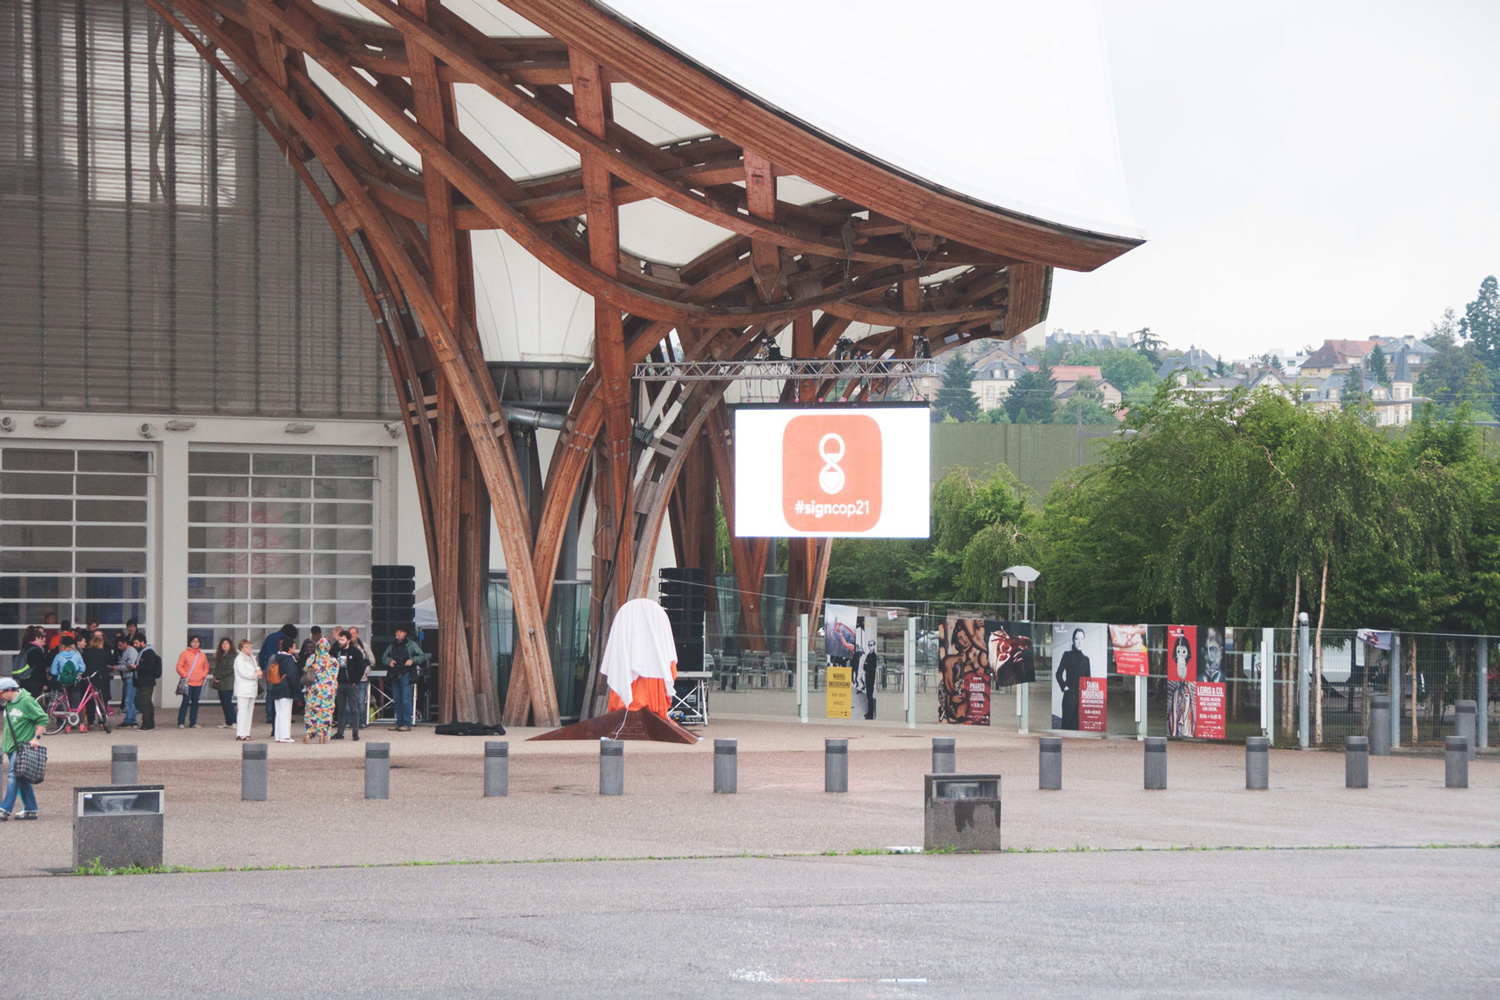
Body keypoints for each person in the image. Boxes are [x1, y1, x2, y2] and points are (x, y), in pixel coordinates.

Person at [0, 677, 46, 820]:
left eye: (1, 693)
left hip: (21, 746)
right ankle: (31, 809)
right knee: (22, 778)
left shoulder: (26, 701)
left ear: (9, 690)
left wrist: (36, 738)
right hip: (10, 746)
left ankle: (4, 809)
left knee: (12, 776)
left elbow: (42, 718)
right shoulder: (8, 703)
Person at [380, 626, 428, 732]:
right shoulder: (392, 644)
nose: (398, 634)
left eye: (401, 632)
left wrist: (412, 660)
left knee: (406, 699)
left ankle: (407, 723)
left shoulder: (411, 644)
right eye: (397, 632)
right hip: (394, 674)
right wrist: (389, 661)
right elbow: (384, 657)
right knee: (397, 699)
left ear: (405, 633)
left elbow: (422, 656)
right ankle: (399, 722)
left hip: (406, 673)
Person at [258, 623, 298, 726]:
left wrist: (263, 668)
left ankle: (270, 715)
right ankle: (283, 716)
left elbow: (262, 653)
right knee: (283, 692)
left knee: (270, 690)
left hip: (270, 666)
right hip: (282, 668)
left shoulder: (270, 637)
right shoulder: (286, 640)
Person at [332, 629, 368, 741]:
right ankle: (340, 732)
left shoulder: (355, 652)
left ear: (348, 640)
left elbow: (361, 667)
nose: (340, 641)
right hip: (340, 683)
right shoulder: (336, 651)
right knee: (341, 708)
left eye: (342, 640)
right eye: (339, 639)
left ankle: (355, 732)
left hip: (352, 684)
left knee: (354, 708)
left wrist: (355, 680)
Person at [302, 637, 338, 744]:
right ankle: (323, 735)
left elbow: (305, 670)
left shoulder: (312, 658)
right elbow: (335, 675)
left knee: (311, 712)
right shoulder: (333, 660)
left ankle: (308, 734)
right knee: (325, 713)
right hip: (328, 691)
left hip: (314, 690)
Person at [49, 634, 86, 732]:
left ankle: (67, 726)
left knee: (65, 705)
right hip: (75, 682)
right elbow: (82, 668)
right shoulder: (77, 655)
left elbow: (53, 671)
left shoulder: (59, 656)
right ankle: (81, 725)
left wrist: (60, 675)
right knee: (77, 705)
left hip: (63, 682)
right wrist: (78, 674)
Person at [1055, 627, 1090, 731]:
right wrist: (1064, 687)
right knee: (1067, 726)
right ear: (1073, 640)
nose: (1079, 642)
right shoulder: (1067, 655)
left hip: (1080, 698)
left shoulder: (1086, 660)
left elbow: (1088, 680)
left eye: (1081, 639)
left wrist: (1085, 695)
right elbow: (1058, 673)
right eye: (1077, 639)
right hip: (1069, 697)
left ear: (1084, 640)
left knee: (1078, 728)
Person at [174, 635, 211, 729]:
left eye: (197, 642)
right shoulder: (184, 654)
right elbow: (179, 666)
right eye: (193, 641)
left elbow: (206, 667)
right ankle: (181, 722)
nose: (195, 643)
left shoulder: (202, 655)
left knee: (195, 702)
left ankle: (193, 722)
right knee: (185, 702)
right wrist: (185, 675)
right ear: (190, 643)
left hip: (198, 682)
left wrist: (203, 675)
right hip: (188, 682)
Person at [231, 639, 261, 741]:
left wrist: (258, 672)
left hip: (252, 688)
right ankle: (240, 733)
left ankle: (247, 732)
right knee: (242, 711)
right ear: (241, 648)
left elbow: (256, 668)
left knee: (249, 711)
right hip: (243, 688)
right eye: (246, 647)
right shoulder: (239, 659)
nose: (249, 648)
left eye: (250, 646)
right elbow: (242, 672)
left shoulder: (252, 657)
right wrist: (254, 675)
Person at [269, 636, 297, 743]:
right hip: (286, 688)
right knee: (286, 712)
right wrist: (296, 688)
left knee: (279, 712)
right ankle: (285, 736)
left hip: (277, 686)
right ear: (289, 648)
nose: (294, 648)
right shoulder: (289, 659)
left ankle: (278, 735)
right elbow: (292, 675)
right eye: (293, 646)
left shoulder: (277, 658)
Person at [81, 631, 112, 729]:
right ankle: (103, 722)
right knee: (103, 700)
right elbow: (111, 661)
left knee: (90, 701)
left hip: (90, 678)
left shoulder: (86, 653)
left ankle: (91, 723)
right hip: (102, 678)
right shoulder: (105, 653)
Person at [132, 633, 161, 731]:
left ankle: (147, 724)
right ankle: (150, 723)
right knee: (147, 702)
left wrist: (137, 667)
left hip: (147, 682)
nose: (135, 645)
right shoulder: (141, 652)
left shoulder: (149, 652)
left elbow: (150, 667)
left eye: (136, 643)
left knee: (145, 703)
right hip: (141, 681)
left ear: (142, 642)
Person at [346, 627, 373, 724]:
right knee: (348, 702)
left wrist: (366, 670)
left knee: (360, 701)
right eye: (350, 633)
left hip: (362, 679)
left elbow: (372, 661)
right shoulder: (345, 647)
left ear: (357, 634)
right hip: (348, 679)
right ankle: (349, 722)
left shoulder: (364, 647)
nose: (353, 635)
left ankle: (360, 722)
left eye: (354, 633)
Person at [11, 626, 48, 698]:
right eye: (42, 638)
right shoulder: (37, 651)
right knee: (33, 700)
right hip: (34, 682)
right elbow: (40, 669)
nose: (44, 642)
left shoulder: (26, 648)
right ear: (36, 638)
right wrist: (44, 683)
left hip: (24, 680)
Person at [210, 637, 237, 728]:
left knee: (227, 702)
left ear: (230, 645)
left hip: (228, 683)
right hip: (221, 683)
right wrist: (214, 675)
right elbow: (217, 667)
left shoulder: (232, 656)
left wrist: (218, 676)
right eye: (223, 644)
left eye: (226, 643)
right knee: (223, 703)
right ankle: (228, 721)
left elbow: (229, 669)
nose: (224, 645)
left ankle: (234, 721)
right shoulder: (221, 656)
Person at [116, 632, 139, 727]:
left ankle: (129, 719)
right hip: (126, 677)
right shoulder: (125, 651)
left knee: (129, 699)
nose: (119, 647)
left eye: (120, 645)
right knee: (129, 699)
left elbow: (131, 665)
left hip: (130, 677)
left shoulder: (131, 651)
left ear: (125, 643)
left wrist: (118, 667)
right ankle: (132, 719)